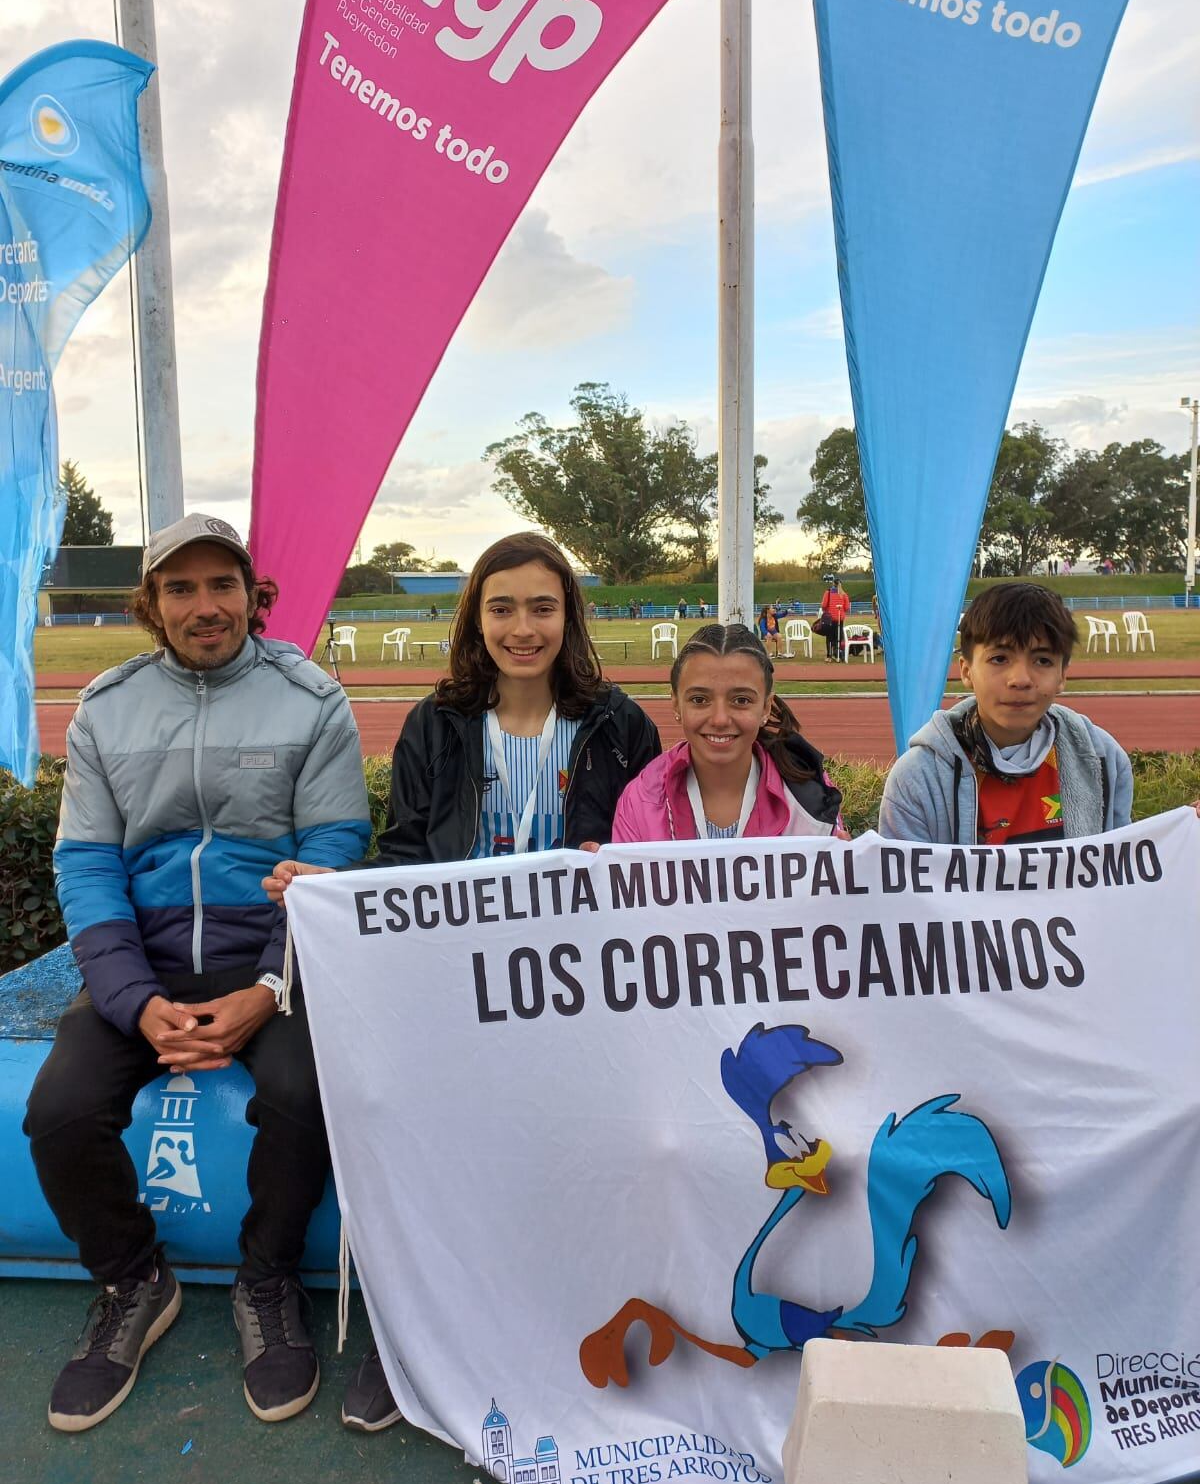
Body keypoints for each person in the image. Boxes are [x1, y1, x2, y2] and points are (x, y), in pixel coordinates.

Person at [265, 531, 661, 1431]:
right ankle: (409, 1337)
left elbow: (651, 850)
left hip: (578, 994)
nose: (523, 628)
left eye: (543, 607)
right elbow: (408, 858)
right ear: (475, 617)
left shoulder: (620, 723)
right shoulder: (434, 726)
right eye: (503, 607)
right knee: (425, 1146)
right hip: (455, 993)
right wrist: (339, 891)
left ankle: (554, 1326)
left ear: (571, 616)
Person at [25, 514, 371, 1432]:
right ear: (152, 603)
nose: (204, 605)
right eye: (181, 588)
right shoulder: (105, 706)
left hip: (273, 963)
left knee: (302, 1096)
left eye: (223, 585)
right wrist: (134, 1003)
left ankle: (267, 1280)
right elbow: (87, 865)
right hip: (142, 966)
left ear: (253, 597)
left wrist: (266, 991)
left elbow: (335, 850)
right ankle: (134, 1280)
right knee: (57, 1111)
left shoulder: (311, 699)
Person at [878, 581, 1130, 844]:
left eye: (1042, 661)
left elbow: (1120, 872)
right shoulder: (918, 778)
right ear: (966, 670)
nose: (1020, 679)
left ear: (1062, 675)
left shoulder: (1104, 759)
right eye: (999, 658)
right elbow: (906, 880)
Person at [610, 623, 844, 841]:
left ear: (765, 707)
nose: (720, 719)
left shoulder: (809, 797)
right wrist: (597, 877)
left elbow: (836, 882)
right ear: (675, 704)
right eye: (699, 699)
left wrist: (845, 876)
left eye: (741, 700)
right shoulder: (641, 800)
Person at [819, 577, 850, 663]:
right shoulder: (844, 595)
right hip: (840, 619)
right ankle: (838, 655)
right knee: (838, 637)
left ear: (833, 584)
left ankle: (829, 655)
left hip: (830, 619)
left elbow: (824, 605)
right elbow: (847, 608)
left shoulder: (828, 593)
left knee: (829, 637)